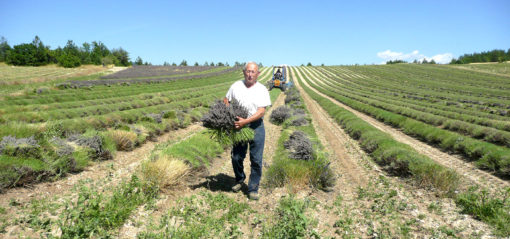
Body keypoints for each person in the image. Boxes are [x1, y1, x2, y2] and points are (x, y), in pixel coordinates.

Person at [223, 62, 271, 200]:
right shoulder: (236, 86)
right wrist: (229, 114)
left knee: (256, 160)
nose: (250, 74)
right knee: (236, 157)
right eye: (248, 71)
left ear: (258, 74)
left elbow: (261, 111)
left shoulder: (262, 89)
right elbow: (226, 100)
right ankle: (239, 179)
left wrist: (246, 121)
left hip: (256, 126)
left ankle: (253, 188)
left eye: (253, 72)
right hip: (239, 125)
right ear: (244, 72)